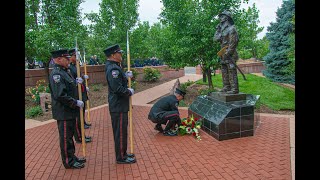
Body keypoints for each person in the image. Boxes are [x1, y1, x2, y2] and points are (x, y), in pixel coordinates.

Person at [48, 49, 86, 169]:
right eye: (66, 58)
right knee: (65, 138)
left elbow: (68, 87)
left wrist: (76, 82)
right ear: (58, 59)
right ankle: (68, 161)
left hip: (69, 111)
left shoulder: (65, 71)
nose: (69, 60)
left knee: (69, 137)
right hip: (64, 111)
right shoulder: (57, 74)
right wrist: (75, 102)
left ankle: (72, 156)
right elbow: (60, 95)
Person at [104, 44, 136, 164]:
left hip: (119, 105)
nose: (121, 55)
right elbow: (116, 87)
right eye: (119, 53)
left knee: (122, 131)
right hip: (118, 105)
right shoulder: (113, 69)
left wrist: (126, 76)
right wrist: (128, 91)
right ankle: (121, 157)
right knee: (120, 132)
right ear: (113, 55)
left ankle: (123, 153)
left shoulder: (115, 67)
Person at [68, 48, 92, 144]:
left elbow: (79, 77)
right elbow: (71, 81)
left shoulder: (75, 65)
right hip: (76, 94)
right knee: (78, 117)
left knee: (81, 115)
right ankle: (79, 137)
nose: (76, 57)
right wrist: (76, 81)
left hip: (81, 92)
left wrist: (84, 84)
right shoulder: (70, 67)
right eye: (75, 56)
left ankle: (82, 135)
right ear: (71, 57)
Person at [213, 10, 239, 94]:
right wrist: (218, 29)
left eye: (222, 16)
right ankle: (226, 86)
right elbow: (215, 39)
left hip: (230, 54)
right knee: (224, 70)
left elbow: (233, 42)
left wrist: (228, 53)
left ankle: (234, 89)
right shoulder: (221, 30)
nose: (220, 18)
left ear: (227, 18)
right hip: (223, 53)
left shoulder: (232, 28)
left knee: (231, 70)